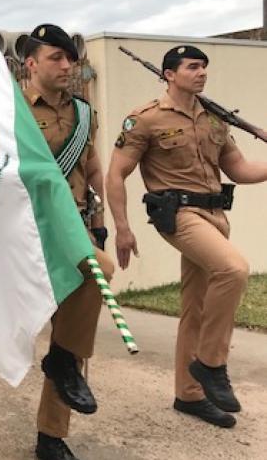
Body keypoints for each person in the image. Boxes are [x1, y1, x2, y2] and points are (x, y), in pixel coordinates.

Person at [107, 45, 267, 429]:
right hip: (178, 215)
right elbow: (115, 174)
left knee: (195, 306)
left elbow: (240, 169)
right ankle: (211, 364)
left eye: (204, 67)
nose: (201, 73)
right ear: (169, 74)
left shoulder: (214, 119)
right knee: (234, 269)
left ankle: (189, 394)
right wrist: (123, 228)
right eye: (192, 67)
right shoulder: (145, 119)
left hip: (215, 215)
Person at [22, 24, 115, 460]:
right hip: (27, 232)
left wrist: (100, 222)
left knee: (69, 334)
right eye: (55, 57)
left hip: (73, 229)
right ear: (31, 63)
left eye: (69, 58)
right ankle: (62, 362)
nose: (66, 65)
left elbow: (92, 170)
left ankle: (51, 437)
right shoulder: (10, 111)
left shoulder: (83, 114)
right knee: (98, 275)